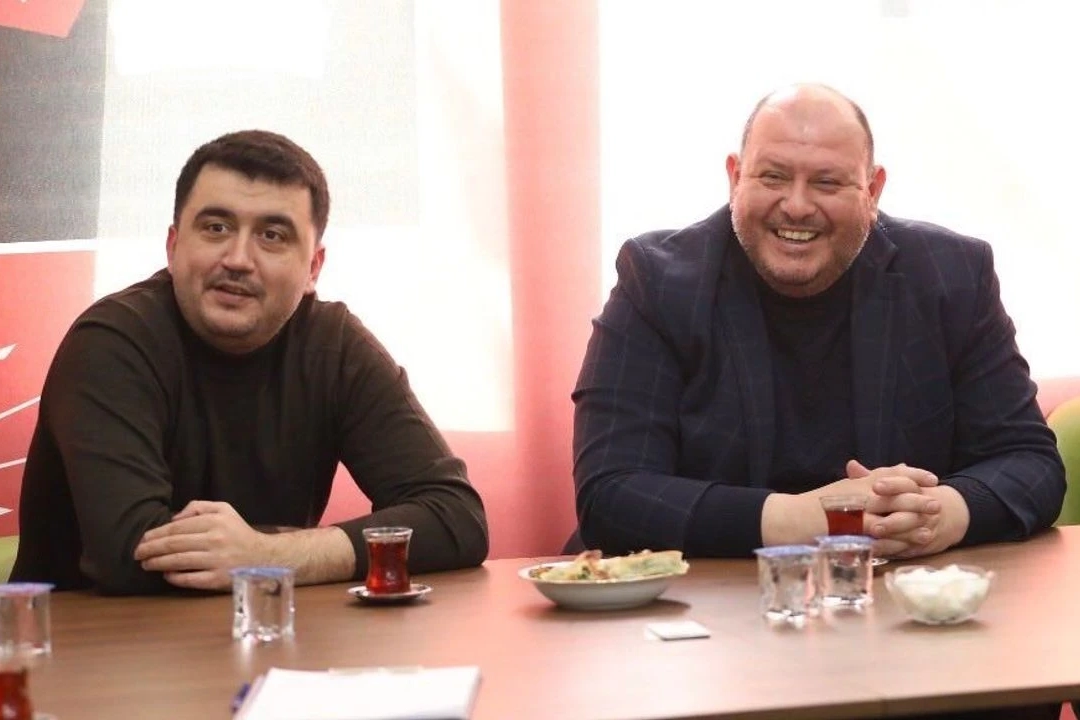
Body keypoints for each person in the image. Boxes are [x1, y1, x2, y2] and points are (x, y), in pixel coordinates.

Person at [572, 84, 1064, 562]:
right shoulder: (656, 280)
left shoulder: (951, 275)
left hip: (893, 597)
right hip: (703, 602)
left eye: (827, 182)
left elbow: (1031, 462)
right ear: (735, 178)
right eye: (773, 177)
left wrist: (936, 515)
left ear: (872, 190)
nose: (797, 205)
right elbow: (611, 495)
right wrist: (820, 518)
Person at [11, 130, 488, 595]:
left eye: (272, 235)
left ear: (313, 268)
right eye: (216, 228)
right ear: (173, 247)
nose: (238, 259)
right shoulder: (112, 343)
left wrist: (268, 555)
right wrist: (276, 558)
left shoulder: (335, 345)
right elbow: (129, 556)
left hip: (262, 632)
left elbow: (456, 518)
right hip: (86, 641)